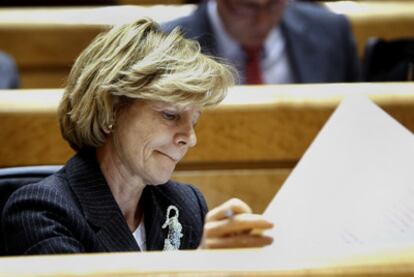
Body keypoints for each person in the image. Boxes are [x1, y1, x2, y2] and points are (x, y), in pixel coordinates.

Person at [1, 18, 273, 255]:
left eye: (195, 121)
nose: (190, 139)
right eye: (170, 115)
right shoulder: (39, 212)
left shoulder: (186, 205)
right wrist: (198, 266)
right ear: (111, 110)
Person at [162, 0, 362, 84]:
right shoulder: (165, 46)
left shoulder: (332, 31)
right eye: (248, 7)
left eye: (274, 4)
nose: (263, 21)